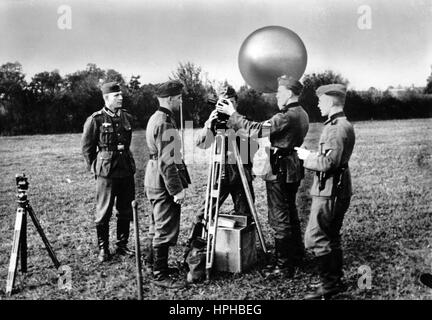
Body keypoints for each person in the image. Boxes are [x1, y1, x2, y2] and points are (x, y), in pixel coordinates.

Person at [216, 75, 309, 277]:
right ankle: (295, 255)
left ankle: (283, 265)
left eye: (279, 92)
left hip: (281, 170)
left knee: (279, 217)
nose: (276, 96)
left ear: (289, 93)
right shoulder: (301, 113)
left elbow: (257, 131)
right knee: (290, 212)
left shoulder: (286, 116)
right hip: (292, 167)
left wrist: (233, 114)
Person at [296, 84, 355, 299]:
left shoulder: (336, 128)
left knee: (315, 237)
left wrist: (306, 157)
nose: (319, 104)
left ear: (330, 101)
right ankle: (335, 282)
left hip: (330, 189)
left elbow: (329, 163)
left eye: (321, 100)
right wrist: (313, 154)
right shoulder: (339, 124)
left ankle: (329, 286)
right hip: (335, 188)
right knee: (331, 236)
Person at [81, 82, 136, 263]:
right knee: (103, 211)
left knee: (125, 209)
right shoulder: (95, 119)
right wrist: (94, 167)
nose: (120, 98)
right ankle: (103, 248)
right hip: (107, 171)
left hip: (126, 169)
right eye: (116, 95)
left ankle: (122, 245)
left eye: (121, 95)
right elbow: (87, 148)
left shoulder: (127, 116)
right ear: (106, 98)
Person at [144, 79, 191, 289]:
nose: (181, 102)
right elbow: (168, 161)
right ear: (170, 98)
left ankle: (151, 263)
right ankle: (159, 273)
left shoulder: (157, 117)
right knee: (164, 227)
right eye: (179, 98)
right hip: (162, 180)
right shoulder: (165, 122)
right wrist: (177, 190)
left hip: (153, 176)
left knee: (156, 224)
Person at [195, 85, 256, 222]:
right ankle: (196, 236)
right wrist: (209, 125)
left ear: (236, 103)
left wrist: (235, 122)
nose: (227, 105)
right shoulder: (214, 121)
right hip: (221, 169)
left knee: (245, 208)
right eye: (223, 102)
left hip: (240, 169)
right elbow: (201, 144)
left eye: (231, 102)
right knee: (209, 206)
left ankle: (242, 239)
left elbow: (253, 145)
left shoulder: (242, 120)